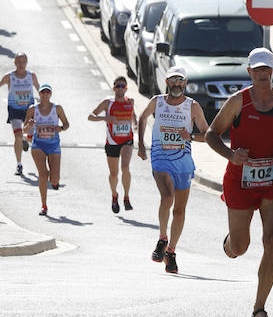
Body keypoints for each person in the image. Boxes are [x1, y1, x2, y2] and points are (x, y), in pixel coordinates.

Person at [204, 47, 273, 317]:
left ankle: (259, 308)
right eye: (257, 70)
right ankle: (230, 243)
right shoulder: (238, 102)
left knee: (272, 241)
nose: (262, 74)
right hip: (240, 179)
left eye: (267, 69)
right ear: (250, 72)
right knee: (241, 246)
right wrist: (230, 155)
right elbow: (212, 134)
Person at [138, 65, 208, 274]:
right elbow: (142, 118)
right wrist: (141, 145)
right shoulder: (157, 102)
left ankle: (171, 252)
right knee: (167, 197)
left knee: (179, 211)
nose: (177, 84)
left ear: (185, 83)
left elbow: (208, 133)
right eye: (173, 80)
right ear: (167, 82)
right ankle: (162, 238)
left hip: (183, 162)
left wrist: (192, 136)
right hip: (160, 158)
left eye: (180, 81)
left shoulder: (192, 107)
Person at [88, 76, 138, 213]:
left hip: (127, 140)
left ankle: (126, 197)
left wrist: (135, 124)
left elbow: (133, 115)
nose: (120, 88)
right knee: (114, 173)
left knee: (125, 167)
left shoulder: (131, 102)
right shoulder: (107, 103)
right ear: (114, 88)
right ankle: (114, 195)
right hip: (112, 142)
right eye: (118, 86)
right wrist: (106, 118)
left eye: (123, 86)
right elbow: (90, 116)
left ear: (126, 88)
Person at [0, 53, 41, 176]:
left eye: (23, 62)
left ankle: (24, 139)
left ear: (27, 62)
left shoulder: (31, 76)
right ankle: (19, 165)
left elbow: (39, 88)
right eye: (18, 62)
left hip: (29, 109)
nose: (21, 65)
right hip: (15, 109)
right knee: (17, 136)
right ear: (14, 63)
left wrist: (45, 101)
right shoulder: (9, 77)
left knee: (33, 138)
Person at [23, 84, 69, 216]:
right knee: (43, 175)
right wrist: (30, 125)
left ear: (50, 94)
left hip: (54, 145)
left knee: (54, 179)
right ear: (40, 94)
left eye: (47, 92)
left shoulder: (57, 108)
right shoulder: (33, 109)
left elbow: (66, 124)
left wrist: (61, 128)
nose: (45, 94)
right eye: (42, 92)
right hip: (38, 145)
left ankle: (53, 176)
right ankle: (44, 205)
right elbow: (24, 129)